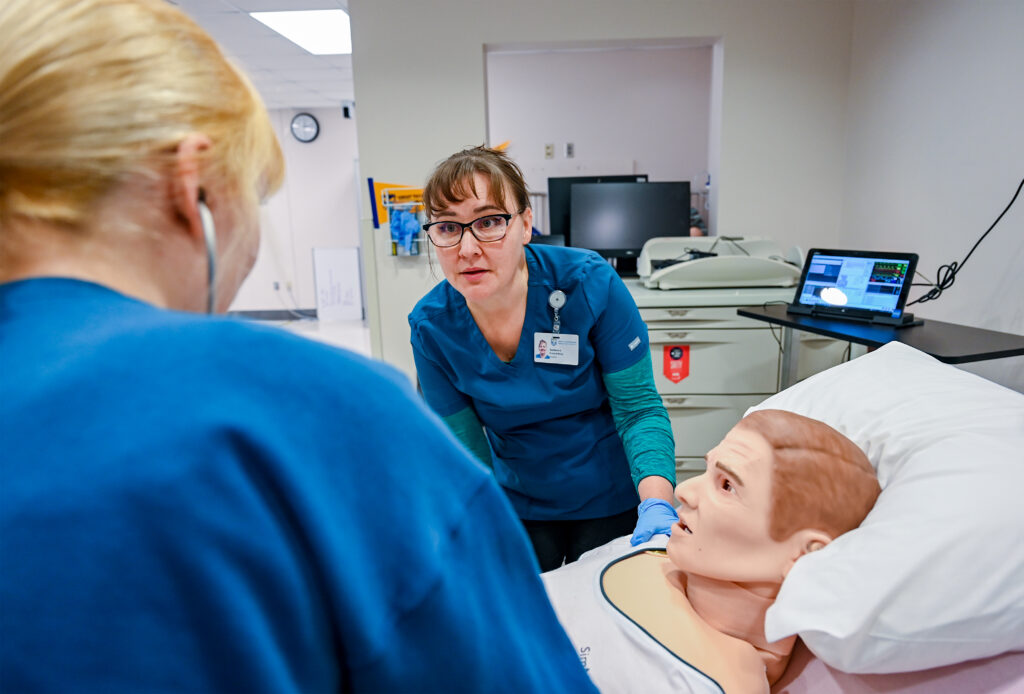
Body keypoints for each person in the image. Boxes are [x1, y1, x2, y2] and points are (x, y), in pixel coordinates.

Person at [0, 2, 598, 693]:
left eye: (491, 222)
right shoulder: (308, 410)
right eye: (255, 197)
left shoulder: (578, 284)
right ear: (190, 186)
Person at [408, 146, 678, 572]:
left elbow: (638, 409)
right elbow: (464, 447)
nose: (468, 248)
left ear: (526, 224)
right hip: (516, 501)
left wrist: (658, 502)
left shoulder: (589, 284)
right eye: (447, 228)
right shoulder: (432, 327)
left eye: (490, 222)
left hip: (608, 492)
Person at [542, 409, 881, 693]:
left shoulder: (710, 682)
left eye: (727, 485)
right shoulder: (662, 543)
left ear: (805, 554)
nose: (685, 491)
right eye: (708, 471)